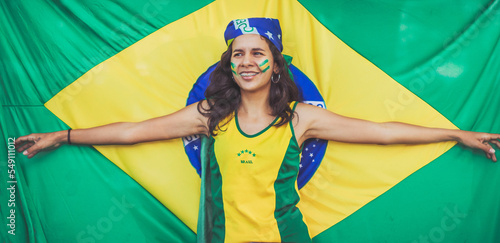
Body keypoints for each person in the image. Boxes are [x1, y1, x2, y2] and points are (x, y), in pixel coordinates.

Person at [15, 17, 500, 242]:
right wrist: (63, 135)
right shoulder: (210, 115)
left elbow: (382, 131)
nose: (247, 62)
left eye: (257, 53)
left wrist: (456, 135)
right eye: (238, 54)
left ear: (274, 62)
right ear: (229, 63)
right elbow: (135, 132)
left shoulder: (302, 117)